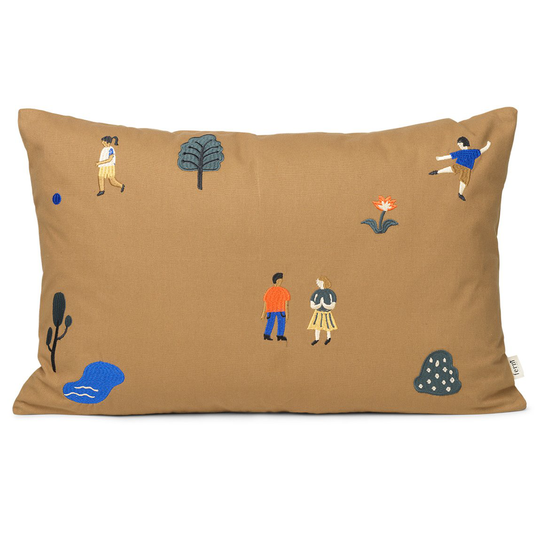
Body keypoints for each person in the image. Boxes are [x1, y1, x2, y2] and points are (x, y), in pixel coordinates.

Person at [429, 137, 491, 201]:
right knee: (450, 169)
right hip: (458, 165)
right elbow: (450, 156)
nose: (459, 146)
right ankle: (437, 172)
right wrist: (440, 158)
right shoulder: (460, 152)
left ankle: (460, 194)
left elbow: (481, 150)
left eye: (460, 144)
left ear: (465, 143)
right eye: (458, 145)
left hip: (467, 169)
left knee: (463, 181)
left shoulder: (473, 152)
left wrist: (487, 145)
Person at [307, 276, 337, 346]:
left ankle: (328, 338)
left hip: (327, 312)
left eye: (318, 281)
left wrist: (324, 305)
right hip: (318, 312)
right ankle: (317, 339)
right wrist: (319, 305)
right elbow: (312, 305)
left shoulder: (330, 293)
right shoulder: (316, 293)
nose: (317, 283)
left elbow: (332, 306)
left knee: (328, 326)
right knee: (317, 326)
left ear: (323, 282)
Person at [261, 273, 290, 341]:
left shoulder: (284, 291)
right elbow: (265, 303)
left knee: (281, 323)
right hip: (271, 310)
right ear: (276, 281)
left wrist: (287, 313)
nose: (280, 282)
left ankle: (280, 335)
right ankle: (266, 334)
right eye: (279, 281)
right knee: (270, 322)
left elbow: (286, 304)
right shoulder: (269, 291)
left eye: (281, 281)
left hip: (281, 310)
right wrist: (263, 314)